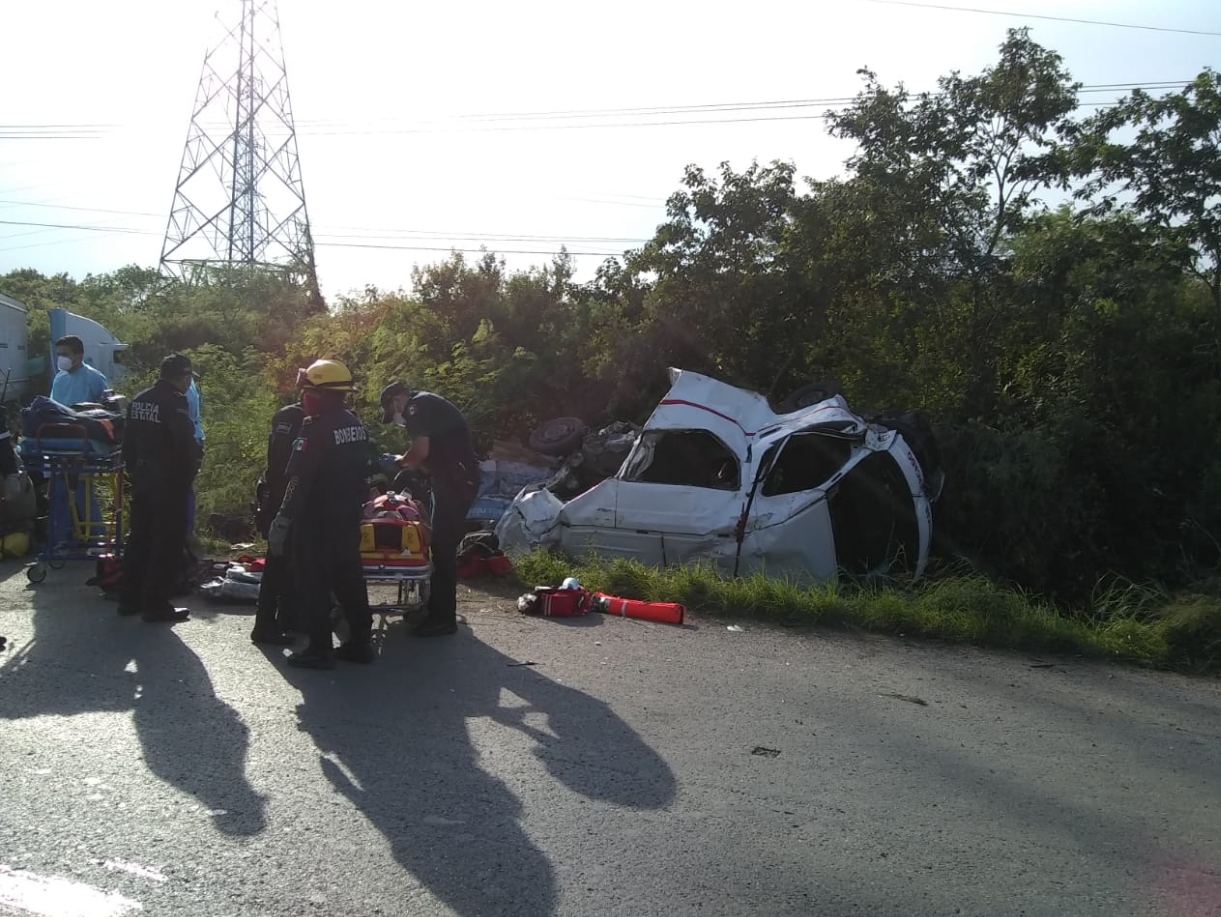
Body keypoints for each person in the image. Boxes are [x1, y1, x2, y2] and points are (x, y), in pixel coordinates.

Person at [266, 359, 373, 669]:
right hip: (348, 516)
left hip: (317, 519)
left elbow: (300, 479)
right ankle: (360, 644)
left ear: (320, 394)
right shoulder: (354, 424)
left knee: (312, 582)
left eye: (307, 391)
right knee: (349, 580)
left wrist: (283, 518)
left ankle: (319, 648)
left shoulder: (314, 427)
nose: (303, 398)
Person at [379, 381, 479, 638]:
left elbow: (420, 451)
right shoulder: (427, 404)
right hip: (451, 480)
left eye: (393, 411)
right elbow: (431, 456)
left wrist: (399, 462)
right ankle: (434, 609)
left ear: (396, 400)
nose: (397, 418)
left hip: (455, 483)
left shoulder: (416, 407)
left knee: (443, 548)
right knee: (438, 545)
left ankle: (443, 618)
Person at [117, 354, 202, 623]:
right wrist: (187, 475)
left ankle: (129, 599)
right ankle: (156, 604)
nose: (189, 382)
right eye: (188, 377)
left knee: (139, 538)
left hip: (143, 478)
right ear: (183, 376)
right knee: (167, 542)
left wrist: (135, 471)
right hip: (169, 480)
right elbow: (185, 445)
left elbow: (127, 443)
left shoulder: (139, 399)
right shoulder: (175, 402)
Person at [251, 395, 306, 645]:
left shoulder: (295, 416)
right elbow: (281, 463)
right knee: (278, 559)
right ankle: (264, 623)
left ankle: (289, 618)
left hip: (288, 495)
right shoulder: (291, 416)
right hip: (283, 496)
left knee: (293, 560)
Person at [50, 334, 109, 406]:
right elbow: (53, 406)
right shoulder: (59, 378)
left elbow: (106, 407)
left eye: (64, 354)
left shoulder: (94, 378)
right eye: (58, 355)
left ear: (78, 356)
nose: (60, 358)